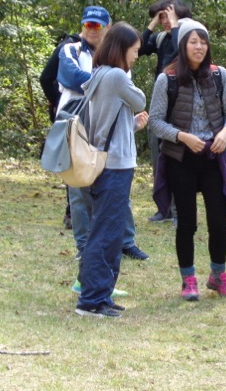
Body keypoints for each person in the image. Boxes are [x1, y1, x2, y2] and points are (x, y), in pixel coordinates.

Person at [148, 19, 226, 301]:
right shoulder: (167, 79)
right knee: (186, 222)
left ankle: (218, 275)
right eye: (193, 42)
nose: (199, 47)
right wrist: (182, 136)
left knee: (219, 220)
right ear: (183, 46)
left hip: (213, 158)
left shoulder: (219, 75)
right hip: (181, 159)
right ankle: (188, 280)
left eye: (203, 42)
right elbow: (155, 121)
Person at [57, 6, 149, 263]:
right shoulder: (73, 50)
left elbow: (117, 108)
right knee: (81, 193)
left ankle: (123, 243)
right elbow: (71, 77)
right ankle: (85, 248)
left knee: (112, 201)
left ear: (107, 28)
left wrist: (105, 81)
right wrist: (105, 80)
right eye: (88, 24)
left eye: (97, 25)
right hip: (75, 130)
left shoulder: (114, 68)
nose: (92, 29)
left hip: (103, 137)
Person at [75, 22, 149, 318]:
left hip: (105, 161)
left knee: (108, 231)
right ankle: (91, 300)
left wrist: (133, 125)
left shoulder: (99, 74)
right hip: (115, 166)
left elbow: (107, 123)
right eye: (135, 51)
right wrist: (128, 78)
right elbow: (140, 100)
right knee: (107, 232)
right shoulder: (117, 75)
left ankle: (101, 294)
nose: (136, 57)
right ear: (121, 49)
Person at [139, 0, 193, 223]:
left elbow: (182, 51)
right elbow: (138, 48)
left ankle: (181, 210)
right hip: (161, 104)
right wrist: (152, 24)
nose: (164, 21)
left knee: (179, 158)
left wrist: (175, 22)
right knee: (158, 157)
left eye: (167, 16)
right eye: (161, 17)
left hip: (183, 104)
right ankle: (164, 208)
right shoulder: (161, 38)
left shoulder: (190, 35)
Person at [40, 31, 81, 230]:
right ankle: (72, 212)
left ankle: (77, 212)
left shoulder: (102, 48)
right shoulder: (69, 46)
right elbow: (45, 77)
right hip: (69, 112)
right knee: (72, 159)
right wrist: (57, 100)